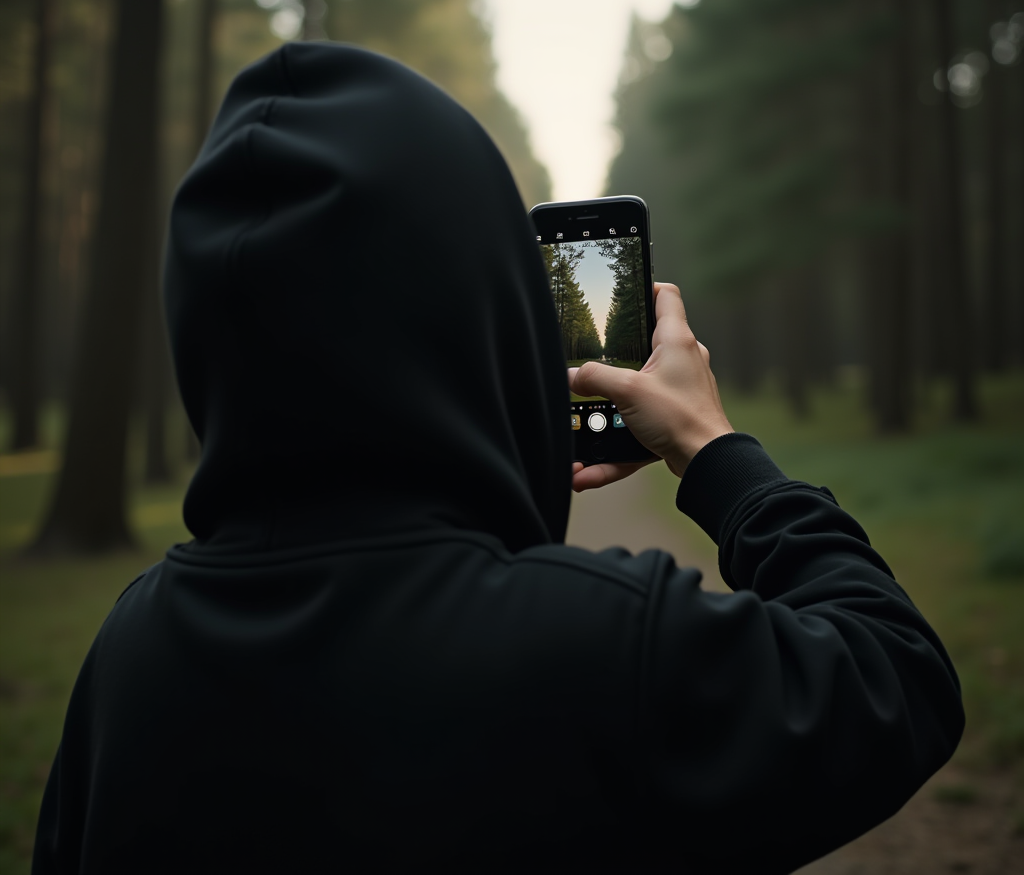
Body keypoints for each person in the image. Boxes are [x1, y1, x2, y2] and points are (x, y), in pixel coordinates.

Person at [33, 43, 963, 875]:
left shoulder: (129, 659)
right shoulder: (599, 646)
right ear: (483, 311)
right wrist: (713, 450)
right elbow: (898, 678)